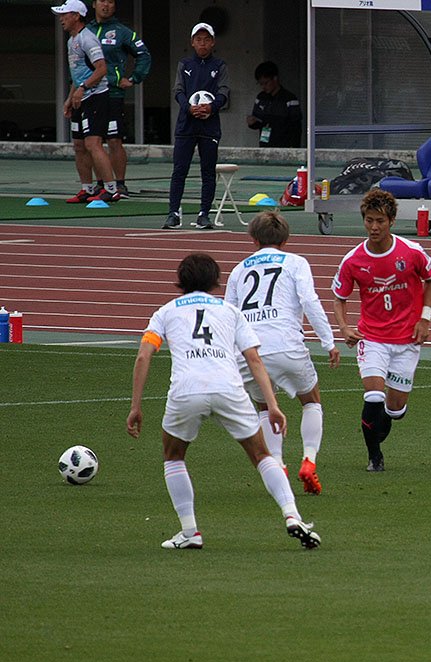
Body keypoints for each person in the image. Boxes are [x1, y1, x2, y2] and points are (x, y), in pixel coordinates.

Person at [126, 253, 321, 550]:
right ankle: (292, 515)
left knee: (174, 456)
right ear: (215, 281)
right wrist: (272, 405)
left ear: (180, 281)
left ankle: (190, 532)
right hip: (228, 388)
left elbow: (143, 356)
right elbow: (253, 359)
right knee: (262, 455)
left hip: (187, 390)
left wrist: (136, 407)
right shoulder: (230, 311)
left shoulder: (165, 312)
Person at [225, 211, 340, 494]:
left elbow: (228, 315)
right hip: (286, 345)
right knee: (311, 400)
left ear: (253, 239)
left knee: (266, 406)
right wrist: (328, 341)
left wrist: (227, 356)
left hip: (249, 351)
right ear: (286, 240)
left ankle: (277, 464)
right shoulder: (296, 262)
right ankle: (309, 461)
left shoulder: (239, 270)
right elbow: (310, 301)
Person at [330, 189, 431, 472]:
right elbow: (339, 297)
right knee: (374, 396)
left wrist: (425, 319)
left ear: (391, 221)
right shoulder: (353, 259)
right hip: (372, 338)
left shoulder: (411, 252)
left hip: (407, 339)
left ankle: (386, 421)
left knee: (395, 410)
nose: (374, 227)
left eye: (380, 221)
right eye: (369, 220)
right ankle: (374, 456)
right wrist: (344, 327)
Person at [52, 0, 120, 205]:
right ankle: (87, 188)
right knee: (79, 145)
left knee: (93, 143)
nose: (61, 19)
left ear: (76, 16)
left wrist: (83, 89)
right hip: (80, 97)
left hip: (96, 97)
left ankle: (111, 189)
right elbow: (78, 74)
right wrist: (69, 98)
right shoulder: (71, 41)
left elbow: (101, 69)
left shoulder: (87, 39)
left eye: (65, 14)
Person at [163, 22, 229, 230]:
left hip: (210, 126)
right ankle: (173, 213)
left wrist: (211, 107)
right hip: (186, 125)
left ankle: (204, 214)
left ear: (213, 42)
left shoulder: (219, 65)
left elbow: (224, 92)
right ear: (192, 42)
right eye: (198, 39)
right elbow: (178, 91)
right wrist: (189, 108)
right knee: (179, 170)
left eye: (206, 40)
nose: (202, 43)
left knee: (208, 172)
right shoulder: (185, 64)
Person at [85, 0, 151, 198]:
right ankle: (101, 184)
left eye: (110, 1)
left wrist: (133, 78)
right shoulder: (86, 31)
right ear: (94, 4)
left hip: (112, 93)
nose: (106, 5)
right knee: (92, 141)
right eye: (102, 1)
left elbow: (143, 54)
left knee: (114, 139)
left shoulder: (122, 31)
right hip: (89, 93)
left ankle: (120, 184)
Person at [246, 61, 302, 148]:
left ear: (275, 78)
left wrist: (294, 149)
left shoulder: (289, 99)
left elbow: (296, 127)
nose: (263, 87)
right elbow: (258, 122)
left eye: (266, 83)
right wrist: (252, 123)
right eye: (260, 84)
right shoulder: (261, 98)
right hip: (265, 145)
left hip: (284, 146)